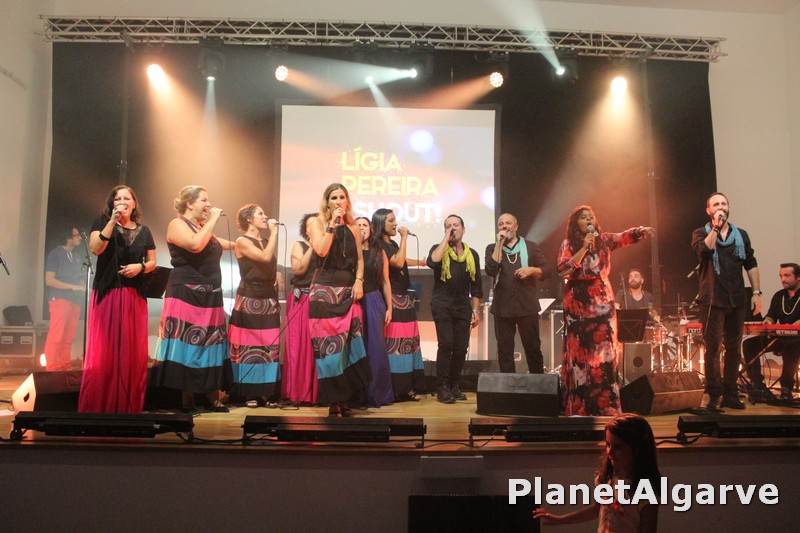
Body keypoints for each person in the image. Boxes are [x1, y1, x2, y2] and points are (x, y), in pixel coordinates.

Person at [557, 206, 654, 416]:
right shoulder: (569, 244)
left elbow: (623, 237)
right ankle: (579, 408)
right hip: (577, 303)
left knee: (604, 355)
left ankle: (605, 407)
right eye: (583, 217)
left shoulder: (604, 240)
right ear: (575, 224)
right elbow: (563, 269)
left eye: (591, 217)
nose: (588, 220)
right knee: (579, 356)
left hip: (602, 302)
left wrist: (639, 231)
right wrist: (584, 248)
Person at [151, 185, 234, 414]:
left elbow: (221, 244)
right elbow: (195, 245)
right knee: (188, 343)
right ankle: (187, 399)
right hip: (186, 293)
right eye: (204, 200)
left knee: (211, 344)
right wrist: (213, 218)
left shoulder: (201, 228)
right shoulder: (177, 224)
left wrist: (249, 244)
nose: (209, 205)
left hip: (211, 294)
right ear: (189, 203)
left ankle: (211, 397)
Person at [79, 186, 156, 413]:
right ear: (112, 204)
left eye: (126, 198)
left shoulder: (144, 231)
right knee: (106, 350)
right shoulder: (102, 223)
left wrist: (140, 267)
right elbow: (96, 249)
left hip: (134, 296)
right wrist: (112, 222)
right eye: (117, 198)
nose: (121, 202)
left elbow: (152, 261)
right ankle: (100, 404)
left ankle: (128, 405)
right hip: (108, 293)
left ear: (134, 203)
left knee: (132, 353)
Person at [533, 414, 660, 533]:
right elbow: (597, 508)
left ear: (638, 449)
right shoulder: (608, 479)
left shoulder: (646, 492)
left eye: (618, 447)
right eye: (608, 445)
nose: (610, 452)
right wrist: (559, 520)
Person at [691, 192, 761, 410]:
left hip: (737, 299)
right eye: (716, 204)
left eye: (724, 203)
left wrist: (757, 292)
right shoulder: (700, 233)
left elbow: (750, 263)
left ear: (729, 208)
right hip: (712, 299)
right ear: (709, 211)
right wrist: (715, 228)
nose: (720, 207)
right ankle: (714, 394)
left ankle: (731, 393)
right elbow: (705, 250)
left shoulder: (741, 235)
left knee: (734, 348)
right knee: (713, 349)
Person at [307, 183, 370, 417]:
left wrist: (359, 281)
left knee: (348, 348)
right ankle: (334, 400)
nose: (338, 201)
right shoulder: (317, 223)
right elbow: (321, 251)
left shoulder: (353, 229)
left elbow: (360, 260)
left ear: (347, 201)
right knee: (329, 349)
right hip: (324, 293)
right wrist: (332, 224)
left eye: (342, 197)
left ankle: (344, 398)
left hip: (347, 292)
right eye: (334, 197)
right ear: (327, 202)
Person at [484, 212, 551, 374]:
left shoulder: (530, 246)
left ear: (516, 227)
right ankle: (509, 387)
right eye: (501, 224)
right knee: (505, 351)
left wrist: (531, 270)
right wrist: (499, 244)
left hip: (526, 306)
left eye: (508, 223)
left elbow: (547, 271)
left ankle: (537, 384)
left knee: (533, 349)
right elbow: (491, 270)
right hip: (503, 307)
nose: (504, 226)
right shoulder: (492, 248)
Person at [427, 214, 484, 404]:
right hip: (442, 304)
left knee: (461, 347)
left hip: (462, 306)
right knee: (446, 345)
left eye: (456, 225)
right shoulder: (438, 248)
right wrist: (446, 238)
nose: (452, 228)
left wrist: (476, 310)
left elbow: (476, 286)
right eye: (448, 226)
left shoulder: (472, 254)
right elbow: (432, 262)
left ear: (463, 229)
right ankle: (442, 387)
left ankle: (453, 385)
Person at [229, 204, 281, 407]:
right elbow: (264, 257)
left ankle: (266, 392)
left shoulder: (266, 241)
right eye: (261, 213)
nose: (265, 216)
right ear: (249, 219)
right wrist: (274, 232)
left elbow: (270, 263)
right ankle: (249, 393)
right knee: (249, 346)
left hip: (269, 298)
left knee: (269, 345)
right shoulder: (242, 241)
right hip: (250, 297)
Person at [372, 208, 426, 402]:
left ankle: (408, 387)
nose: (396, 224)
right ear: (381, 223)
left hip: (404, 298)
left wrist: (420, 262)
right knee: (396, 345)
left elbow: (402, 260)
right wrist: (404, 237)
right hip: (393, 298)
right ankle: (396, 388)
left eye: (395, 220)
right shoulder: (378, 244)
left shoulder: (392, 243)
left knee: (409, 343)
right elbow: (396, 261)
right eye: (391, 220)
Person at [742, 262, 800, 402]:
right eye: (781, 276)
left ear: (798, 277)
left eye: (787, 275)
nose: (783, 279)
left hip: (797, 339)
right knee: (749, 344)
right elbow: (771, 315)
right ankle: (758, 385)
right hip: (781, 336)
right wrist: (768, 321)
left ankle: (786, 388)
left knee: (792, 346)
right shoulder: (779, 296)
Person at [353, 216, 394, 407]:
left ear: (370, 229)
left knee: (376, 348)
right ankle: (357, 395)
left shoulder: (379, 251)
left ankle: (378, 394)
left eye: (365, 225)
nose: (361, 228)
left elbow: (385, 282)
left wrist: (390, 307)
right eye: (358, 225)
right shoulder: (349, 250)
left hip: (374, 299)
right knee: (357, 348)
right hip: (354, 302)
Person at [282, 213, 319, 404]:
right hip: (301, 299)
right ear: (306, 229)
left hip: (319, 300)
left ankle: (316, 394)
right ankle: (297, 392)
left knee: (315, 348)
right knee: (298, 346)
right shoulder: (300, 245)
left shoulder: (326, 247)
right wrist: (312, 246)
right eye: (312, 225)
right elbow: (298, 269)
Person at [43, 226, 85, 372]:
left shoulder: (77, 256)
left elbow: (78, 278)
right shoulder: (55, 254)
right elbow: (49, 280)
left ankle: (64, 367)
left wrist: (83, 287)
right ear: (68, 238)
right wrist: (72, 287)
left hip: (75, 300)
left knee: (68, 337)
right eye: (76, 235)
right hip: (60, 299)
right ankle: (52, 369)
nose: (80, 238)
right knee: (57, 335)